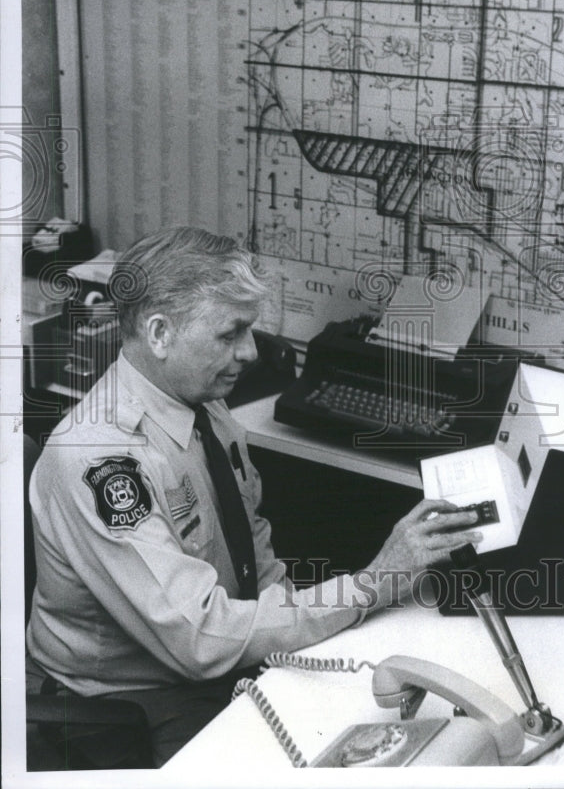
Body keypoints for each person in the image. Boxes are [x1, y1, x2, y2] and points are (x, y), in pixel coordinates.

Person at [26, 226, 482, 766]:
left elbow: (256, 555)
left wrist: (301, 651)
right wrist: (370, 586)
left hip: (220, 664)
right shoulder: (99, 460)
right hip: (128, 706)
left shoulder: (205, 408)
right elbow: (202, 639)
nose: (249, 352)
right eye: (230, 334)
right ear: (159, 333)